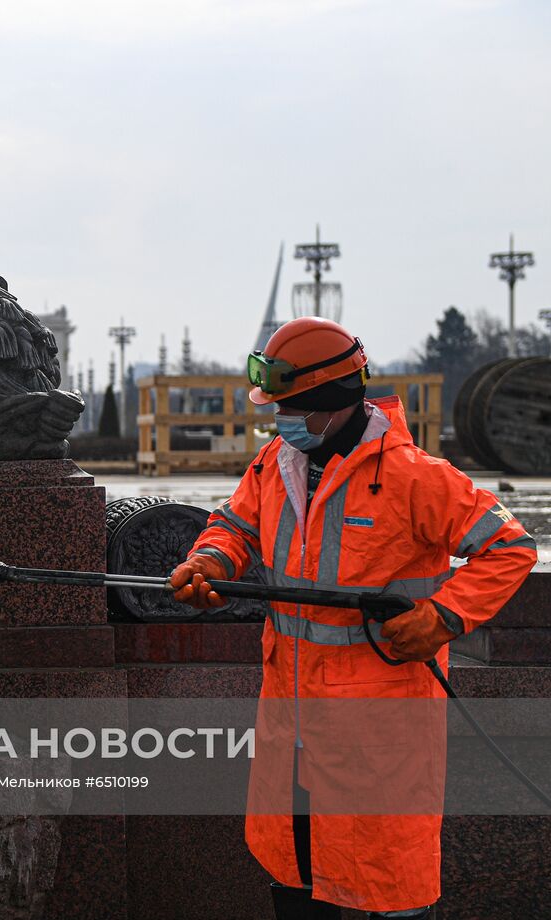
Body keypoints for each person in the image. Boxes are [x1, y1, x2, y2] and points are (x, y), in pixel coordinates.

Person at [169, 317, 537, 920]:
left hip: (378, 726)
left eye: (290, 407)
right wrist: (209, 562)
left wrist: (444, 616)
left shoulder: (415, 477)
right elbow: (234, 526)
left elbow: (511, 549)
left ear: (333, 402)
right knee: (295, 872)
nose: (279, 419)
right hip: (291, 717)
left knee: (383, 878)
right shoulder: (276, 463)